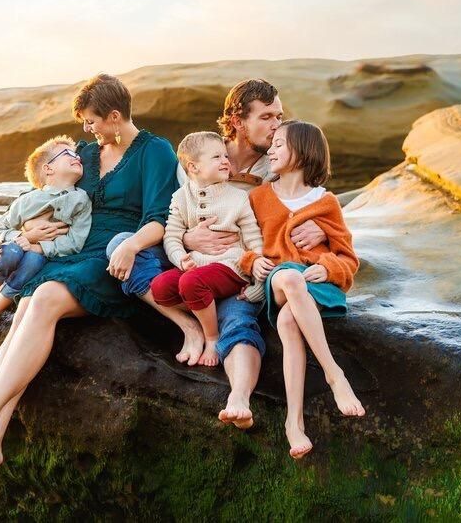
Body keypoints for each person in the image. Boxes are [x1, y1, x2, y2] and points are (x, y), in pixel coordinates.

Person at [0, 74, 179, 487]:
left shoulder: (155, 153)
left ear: (115, 116)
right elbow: (45, 193)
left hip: (113, 253)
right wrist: (25, 235)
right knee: (25, 308)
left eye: (92, 122)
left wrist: (131, 245)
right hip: (69, 247)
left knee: (44, 297)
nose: (88, 131)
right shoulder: (84, 152)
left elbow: (160, 217)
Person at [108, 79, 330, 430]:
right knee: (121, 243)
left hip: (235, 269)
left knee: (239, 320)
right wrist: (186, 241)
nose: (277, 126)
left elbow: (314, 198)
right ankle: (188, 324)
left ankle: (238, 398)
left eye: (280, 117)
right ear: (239, 121)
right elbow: (168, 214)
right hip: (187, 259)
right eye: (268, 117)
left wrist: (323, 229)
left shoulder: (278, 161)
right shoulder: (199, 153)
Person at [250, 120, 365, 459]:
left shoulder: (326, 202)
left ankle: (293, 423)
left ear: (302, 152)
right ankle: (334, 373)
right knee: (289, 278)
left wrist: (326, 266)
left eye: (279, 144)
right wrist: (250, 262)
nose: (270, 149)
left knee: (288, 323)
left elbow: (348, 258)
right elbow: (245, 243)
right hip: (278, 278)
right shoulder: (258, 197)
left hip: (314, 284)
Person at [150, 131, 265, 367]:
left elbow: (255, 241)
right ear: (193, 167)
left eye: (225, 155)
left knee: (191, 283)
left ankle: (212, 337)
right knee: (159, 288)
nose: (225, 160)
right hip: (196, 266)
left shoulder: (238, 198)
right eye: (216, 157)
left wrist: (258, 284)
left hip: (230, 266)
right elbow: (171, 235)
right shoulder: (180, 197)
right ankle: (205, 306)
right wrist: (181, 258)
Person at [0, 136, 92, 347]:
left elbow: (75, 241)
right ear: (48, 169)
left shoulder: (81, 200)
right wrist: (24, 237)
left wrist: (40, 246)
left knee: (32, 261)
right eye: (68, 154)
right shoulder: (27, 201)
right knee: (12, 252)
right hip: (16, 249)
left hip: (42, 256)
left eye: (76, 154)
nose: (76, 157)